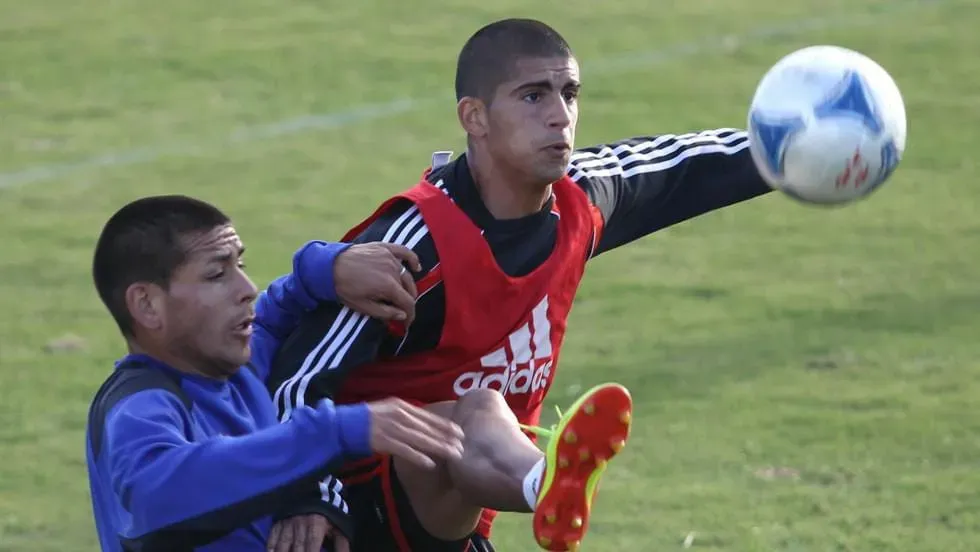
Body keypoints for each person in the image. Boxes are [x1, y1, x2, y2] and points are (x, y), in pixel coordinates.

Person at [266, 18, 776, 552]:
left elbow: (686, 166)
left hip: (451, 512)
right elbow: (299, 377)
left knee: (480, 416)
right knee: (480, 408)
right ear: (475, 117)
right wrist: (307, 494)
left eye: (570, 93)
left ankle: (548, 486)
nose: (560, 116)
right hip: (349, 506)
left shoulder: (582, 199)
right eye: (533, 96)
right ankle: (549, 482)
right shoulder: (413, 246)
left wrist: (791, 150)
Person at [84, 194, 466, 552]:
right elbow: (156, 494)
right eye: (218, 274)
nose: (247, 288)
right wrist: (337, 431)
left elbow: (281, 307)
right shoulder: (138, 406)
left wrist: (328, 267)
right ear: (147, 304)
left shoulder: (238, 367)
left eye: (241, 265)